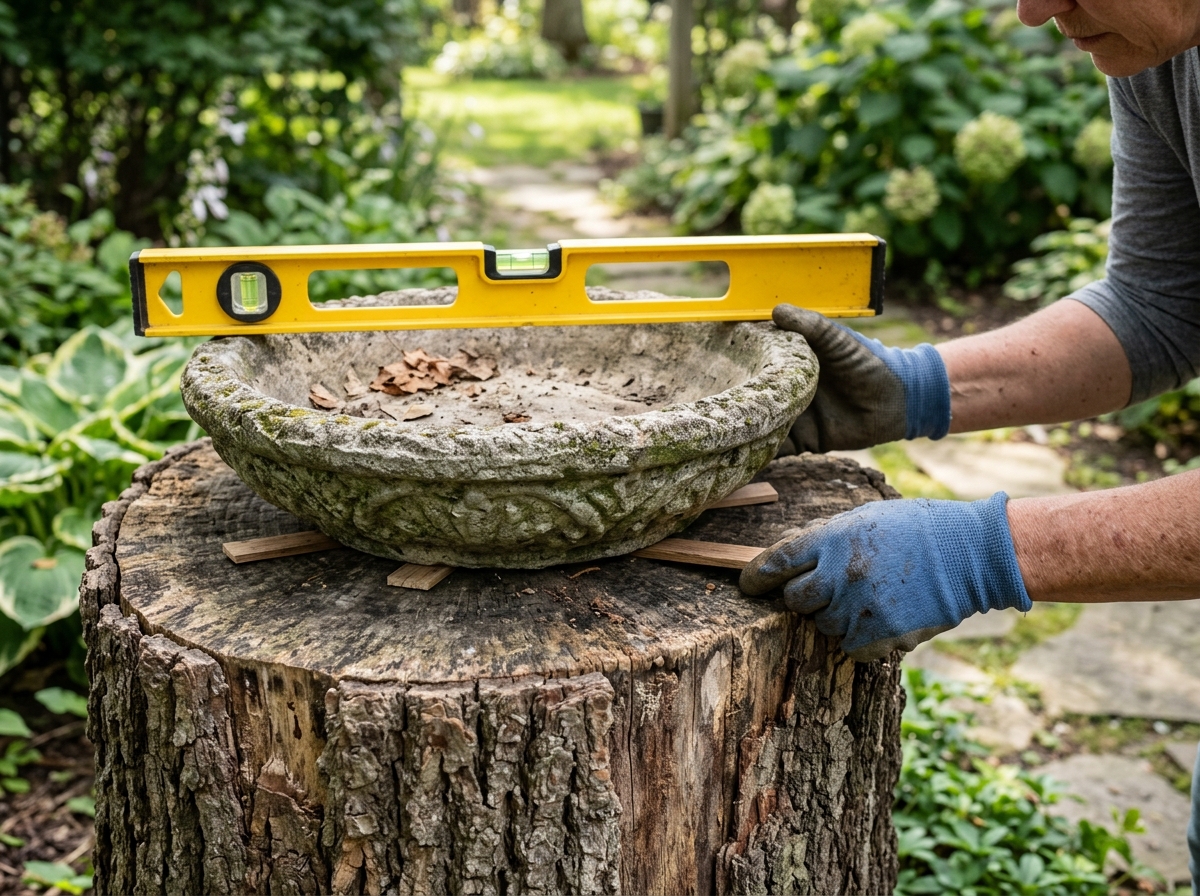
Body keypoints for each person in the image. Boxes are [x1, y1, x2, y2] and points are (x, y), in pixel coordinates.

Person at [738, 1, 1200, 890]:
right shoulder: (1161, 47)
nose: (1032, 11)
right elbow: (1163, 304)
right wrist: (914, 387)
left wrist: (987, 552)